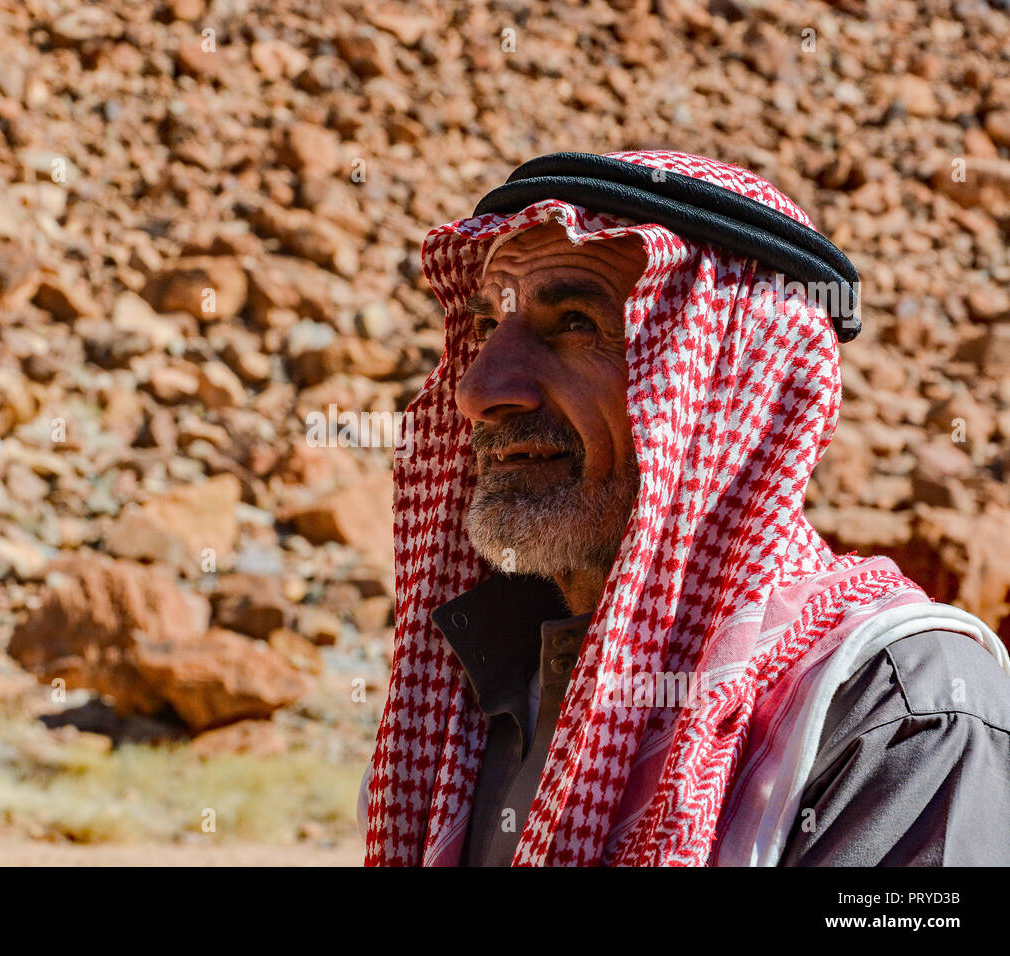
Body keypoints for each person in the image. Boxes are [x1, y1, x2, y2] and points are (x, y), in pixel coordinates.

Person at [359, 150, 1010, 866]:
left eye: (575, 323)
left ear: (731, 387)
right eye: (485, 330)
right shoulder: (463, 696)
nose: (479, 391)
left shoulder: (895, 714)